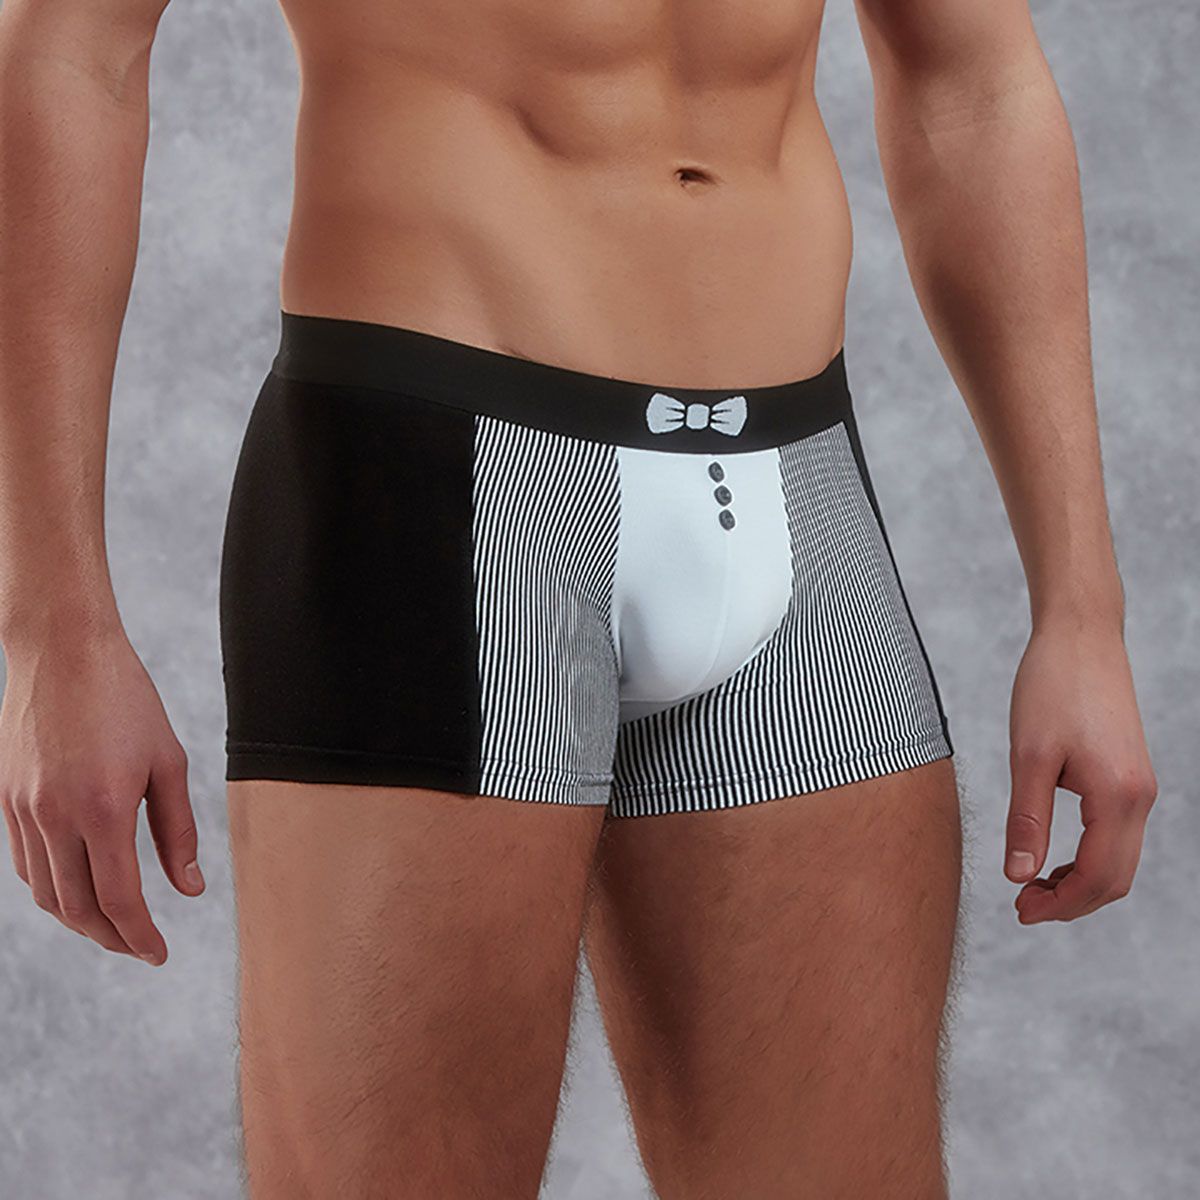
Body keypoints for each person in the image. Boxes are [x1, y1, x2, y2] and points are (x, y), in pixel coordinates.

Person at [0, 0, 1158, 1195]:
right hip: (440, 473)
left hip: (799, 487)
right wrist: (52, 630)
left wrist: (1082, 608)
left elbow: (973, 85)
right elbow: (74, 51)